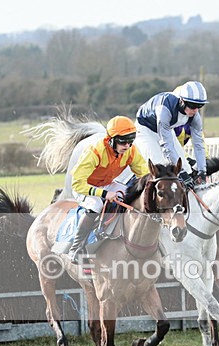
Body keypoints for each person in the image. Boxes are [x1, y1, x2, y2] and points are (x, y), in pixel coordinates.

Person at [67, 116, 150, 264]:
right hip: (84, 187)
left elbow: (144, 174)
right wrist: (104, 194)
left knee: (129, 195)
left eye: (130, 141)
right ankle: (76, 248)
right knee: (96, 204)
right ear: (111, 139)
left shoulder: (131, 151)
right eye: (123, 141)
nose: (127, 146)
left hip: (107, 183)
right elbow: (77, 184)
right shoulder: (94, 152)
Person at [135, 80, 208, 187]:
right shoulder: (164, 110)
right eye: (192, 106)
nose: (195, 110)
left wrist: (202, 171)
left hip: (166, 129)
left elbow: (198, 144)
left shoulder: (195, 116)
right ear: (182, 101)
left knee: (186, 168)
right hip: (145, 130)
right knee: (161, 169)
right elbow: (166, 145)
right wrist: (180, 172)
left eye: (200, 106)